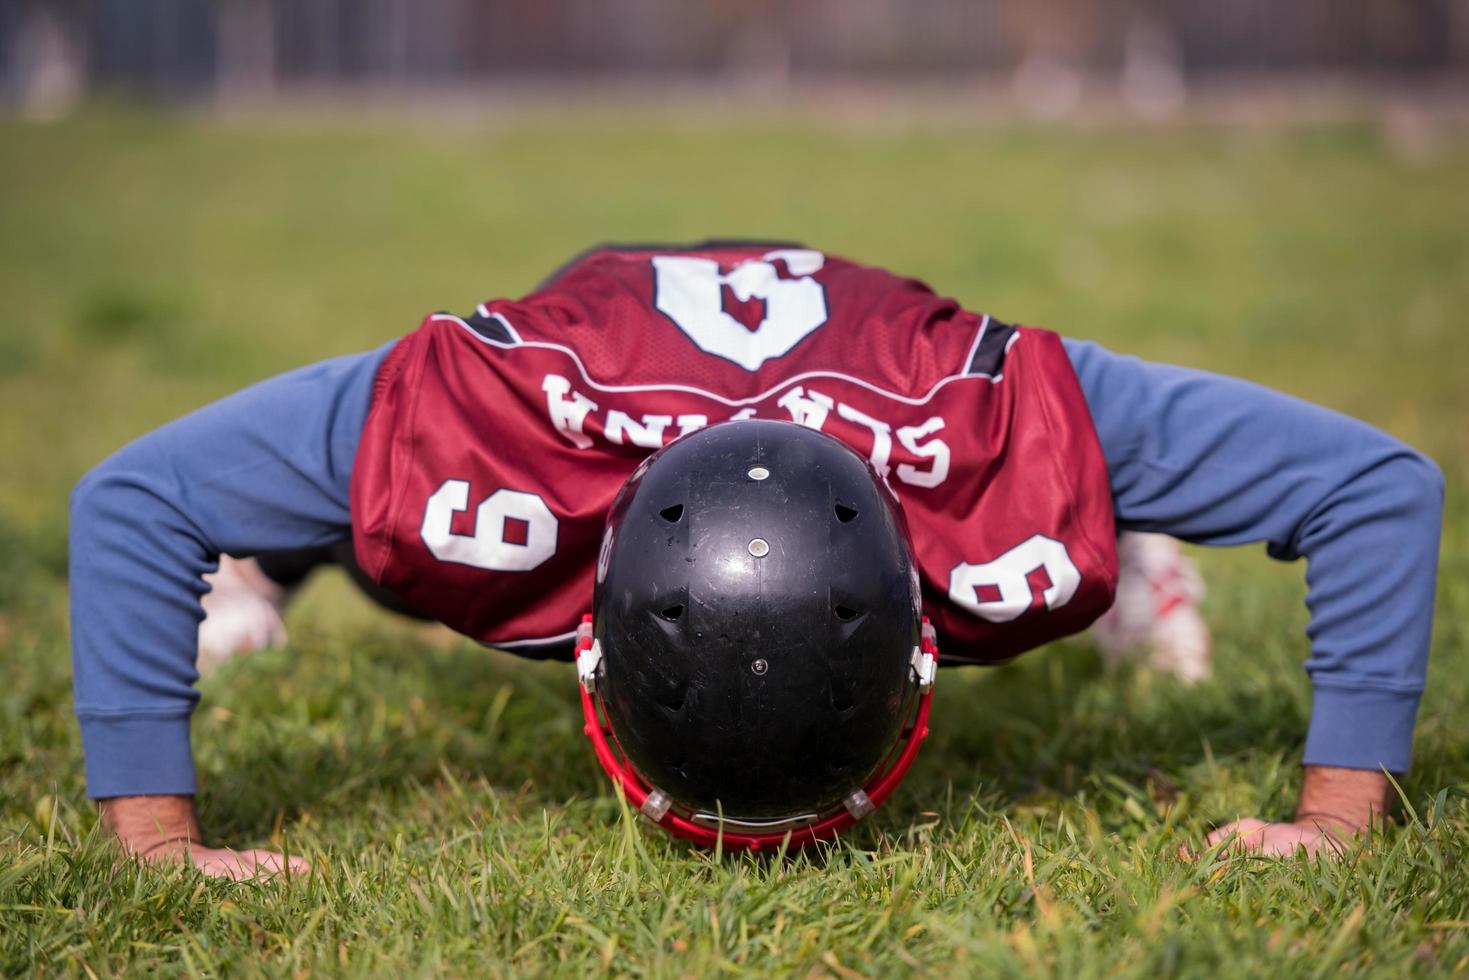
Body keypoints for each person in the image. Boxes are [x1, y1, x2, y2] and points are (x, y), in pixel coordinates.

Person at [69, 242, 1443, 878]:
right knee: (428, 539)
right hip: (583, 399)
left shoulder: (1002, 432)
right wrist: (156, 850)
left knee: (1061, 516)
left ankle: (1117, 554)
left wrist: (1334, 829)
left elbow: (1378, 490)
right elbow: (135, 503)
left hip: (899, 399)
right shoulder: (495, 426)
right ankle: (272, 574)